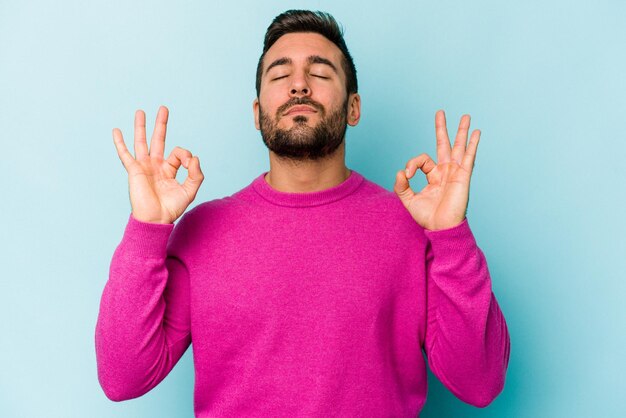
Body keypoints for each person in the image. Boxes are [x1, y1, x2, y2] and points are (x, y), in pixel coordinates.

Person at [96, 9, 510, 417]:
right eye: (280, 75)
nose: (299, 85)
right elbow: (122, 377)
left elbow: (479, 383)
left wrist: (451, 234)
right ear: (257, 115)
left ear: (353, 107)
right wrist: (145, 229)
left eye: (321, 73)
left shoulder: (412, 228)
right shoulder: (204, 230)